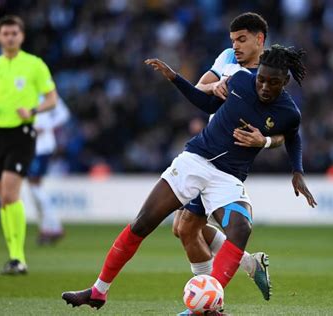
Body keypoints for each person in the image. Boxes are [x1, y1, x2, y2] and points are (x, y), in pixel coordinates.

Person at [61, 44, 316, 312]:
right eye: (261, 79)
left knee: (241, 229)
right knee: (142, 223)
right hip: (194, 161)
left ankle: (205, 307)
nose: (264, 87)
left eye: (273, 83)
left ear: (285, 81)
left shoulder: (289, 112)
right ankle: (98, 292)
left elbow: (292, 137)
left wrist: (297, 171)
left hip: (228, 177)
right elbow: (207, 103)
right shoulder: (241, 79)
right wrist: (175, 78)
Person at [173, 12, 315, 303]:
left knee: (187, 228)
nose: (235, 46)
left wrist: (263, 141)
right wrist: (214, 87)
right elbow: (201, 91)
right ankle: (247, 266)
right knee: (182, 228)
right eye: (233, 40)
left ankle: (210, 299)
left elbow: (286, 133)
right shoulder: (227, 58)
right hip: (206, 149)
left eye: (242, 39)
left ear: (259, 40)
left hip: (228, 160)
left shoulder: (268, 75)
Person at [0, 15, 57, 275]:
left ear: (21, 36)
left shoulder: (34, 65)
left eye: (14, 33)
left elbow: (52, 99)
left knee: (10, 194)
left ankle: (19, 258)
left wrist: (32, 109)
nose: (10, 37)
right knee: (3, 199)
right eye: (5, 33)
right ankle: (13, 256)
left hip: (22, 133)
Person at [28, 97, 70, 245]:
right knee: (34, 188)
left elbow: (64, 113)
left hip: (42, 147)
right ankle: (47, 227)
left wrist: (46, 126)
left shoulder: (45, 92)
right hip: (31, 146)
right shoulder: (27, 90)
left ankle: (53, 227)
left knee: (35, 186)